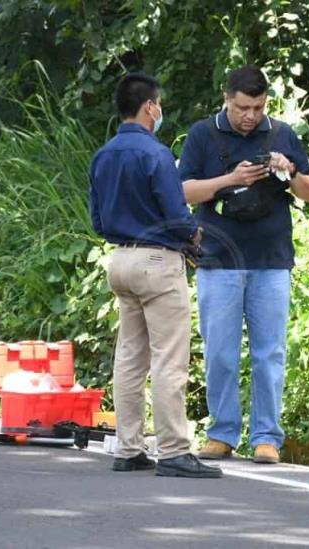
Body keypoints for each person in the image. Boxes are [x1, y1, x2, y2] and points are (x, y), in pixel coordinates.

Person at [178, 65, 309, 464]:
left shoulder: (282, 134)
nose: (249, 116)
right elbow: (183, 190)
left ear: (266, 104)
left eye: (257, 107)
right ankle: (222, 432)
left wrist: (288, 170)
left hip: (271, 259)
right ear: (227, 99)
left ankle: (267, 437)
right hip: (218, 259)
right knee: (220, 350)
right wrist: (229, 178)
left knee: (269, 352)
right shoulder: (202, 134)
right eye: (242, 107)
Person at [89, 73, 222, 479]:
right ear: (150, 106)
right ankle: (175, 451)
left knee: (130, 358)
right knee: (169, 359)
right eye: (158, 103)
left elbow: (97, 219)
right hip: (157, 262)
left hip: (121, 261)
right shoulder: (156, 153)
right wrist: (193, 233)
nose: (159, 109)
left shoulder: (103, 155)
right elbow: (174, 210)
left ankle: (129, 448)